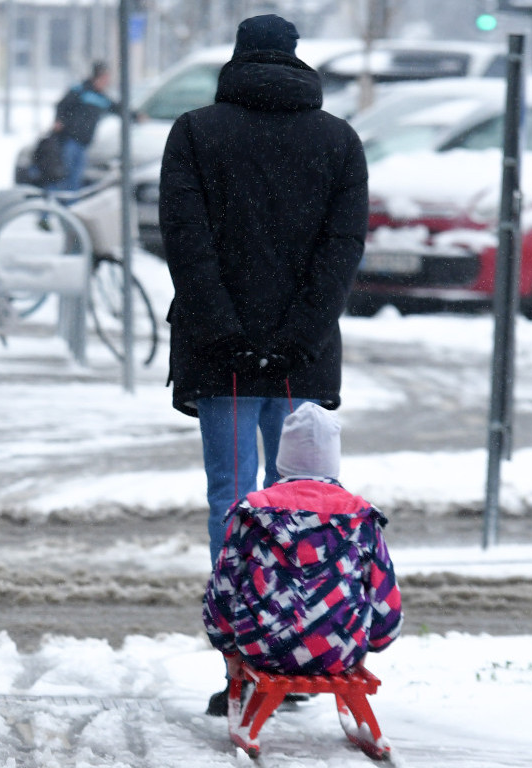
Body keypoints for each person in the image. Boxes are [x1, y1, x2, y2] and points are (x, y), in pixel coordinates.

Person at [158, 14, 368, 569]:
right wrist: (302, 333)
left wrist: (225, 329)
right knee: (300, 491)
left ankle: (236, 621)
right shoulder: (339, 140)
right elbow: (341, 248)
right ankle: (295, 618)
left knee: (230, 492)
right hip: (303, 354)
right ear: (297, 56)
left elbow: (186, 242)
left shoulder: (195, 132)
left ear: (238, 54)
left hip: (219, 353)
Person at [201, 403, 402, 714]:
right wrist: (374, 641)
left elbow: (223, 590)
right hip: (340, 649)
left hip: (263, 647)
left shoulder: (253, 513)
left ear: (282, 462)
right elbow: (385, 598)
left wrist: (229, 648)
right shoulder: (360, 517)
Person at [47, 61, 119, 195]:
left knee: (75, 180)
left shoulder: (102, 98)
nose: (107, 81)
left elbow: (117, 108)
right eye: (105, 78)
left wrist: (137, 116)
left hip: (83, 144)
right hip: (68, 141)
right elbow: (62, 106)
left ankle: (70, 209)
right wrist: (59, 120)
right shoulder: (79, 91)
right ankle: (50, 209)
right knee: (61, 175)